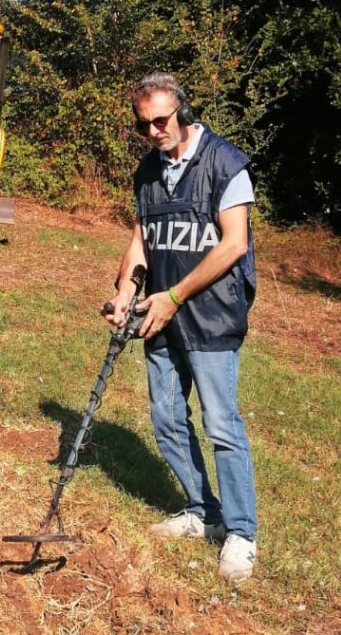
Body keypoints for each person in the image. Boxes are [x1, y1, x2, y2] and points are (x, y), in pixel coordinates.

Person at [103, 72, 259, 582]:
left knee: (221, 426)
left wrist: (172, 297)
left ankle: (240, 532)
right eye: (144, 124)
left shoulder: (225, 162)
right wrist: (126, 292)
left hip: (211, 315)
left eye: (161, 120)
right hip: (159, 314)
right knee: (168, 419)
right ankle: (202, 511)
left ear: (183, 111)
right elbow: (141, 240)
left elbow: (233, 244)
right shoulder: (148, 171)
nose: (153, 131)